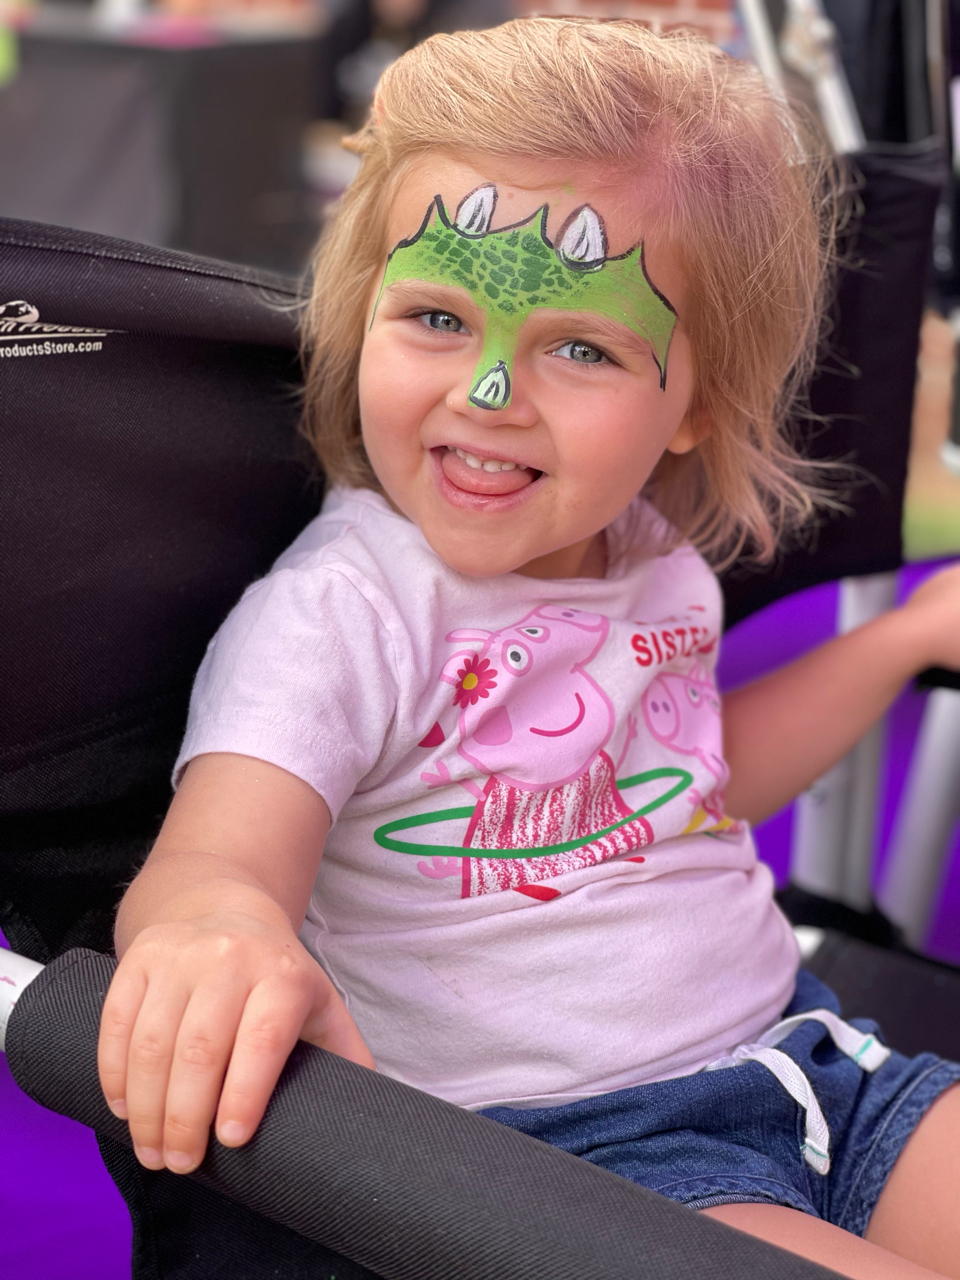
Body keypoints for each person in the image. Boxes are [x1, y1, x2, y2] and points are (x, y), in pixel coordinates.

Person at [96, 18, 960, 1279]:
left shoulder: (655, 557)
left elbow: (689, 780)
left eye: (580, 346)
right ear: (362, 314)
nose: (487, 393)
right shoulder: (345, 612)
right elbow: (217, 858)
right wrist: (212, 927)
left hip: (813, 1064)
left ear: (700, 398)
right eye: (437, 317)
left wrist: (904, 637)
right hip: (561, 1158)